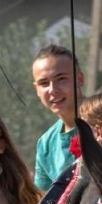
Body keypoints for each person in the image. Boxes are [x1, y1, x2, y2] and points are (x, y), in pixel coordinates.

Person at [31, 45, 82, 190]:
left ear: (79, 79)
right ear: (37, 90)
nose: (53, 90)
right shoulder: (45, 144)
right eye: (44, 83)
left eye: (61, 79)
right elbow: (43, 200)